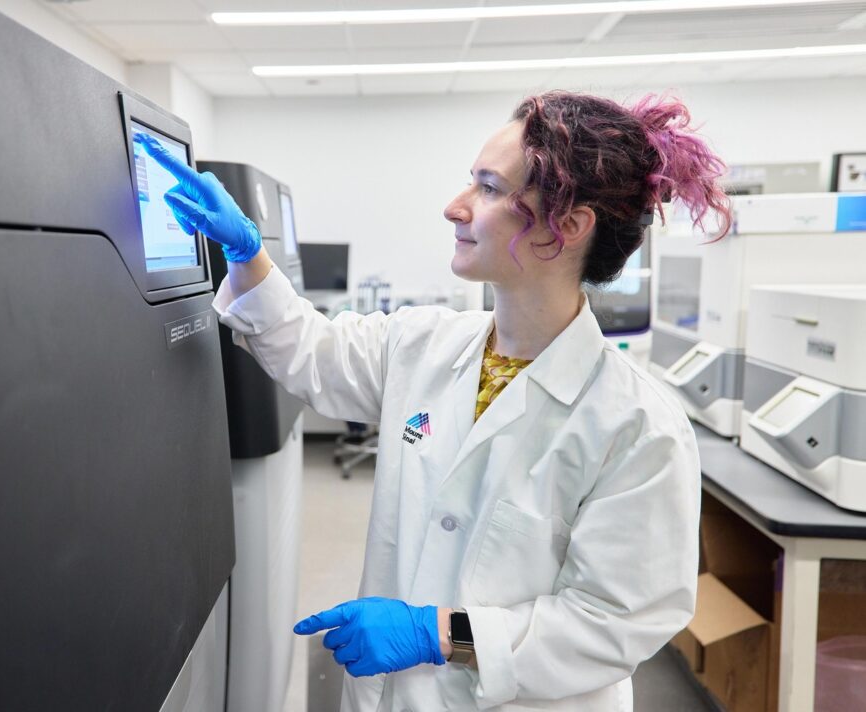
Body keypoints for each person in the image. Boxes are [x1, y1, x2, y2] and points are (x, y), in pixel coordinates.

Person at [136, 90, 731, 712]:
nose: (455, 207)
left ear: (569, 227)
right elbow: (313, 354)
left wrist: (438, 633)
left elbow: (614, 624)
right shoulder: (422, 343)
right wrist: (246, 253)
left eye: (489, 188)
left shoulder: (637, 427)